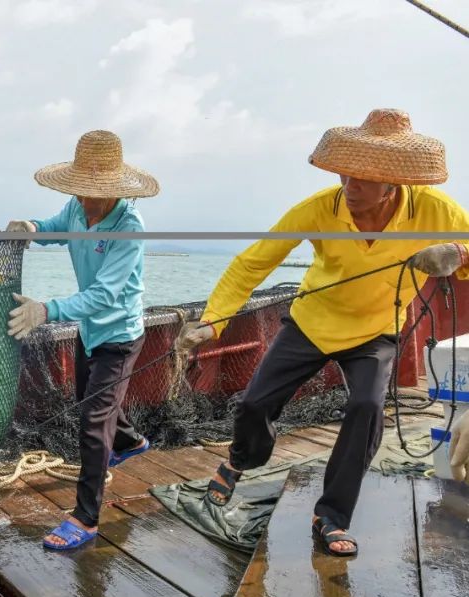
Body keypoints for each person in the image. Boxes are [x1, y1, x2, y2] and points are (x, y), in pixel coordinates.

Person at [176, 108, 469, 557]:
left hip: (375, 332)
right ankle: (241, 460)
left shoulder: (437, 211)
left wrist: (457, 254)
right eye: (344, 177)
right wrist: (212, 322)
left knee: (368, 409)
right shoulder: (317, 209)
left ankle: (331, 516)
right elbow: (253, 262)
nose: (349, 188)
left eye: (363, 181)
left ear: (394, 184)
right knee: (255, 402)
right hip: (312, 320)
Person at [5, 130, 159, 551]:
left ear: (115, 190)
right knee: (94, 405)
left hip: (119, 335)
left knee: (93, 420)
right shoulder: (76, 205)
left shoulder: (129, 226)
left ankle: (86, 517)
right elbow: (58, 228)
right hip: (89, 331)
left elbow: (105, 295)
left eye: (95, 194)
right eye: (81, 192)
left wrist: (46, 310)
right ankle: (129, 441)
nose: (86, 201)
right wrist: (32, 228)